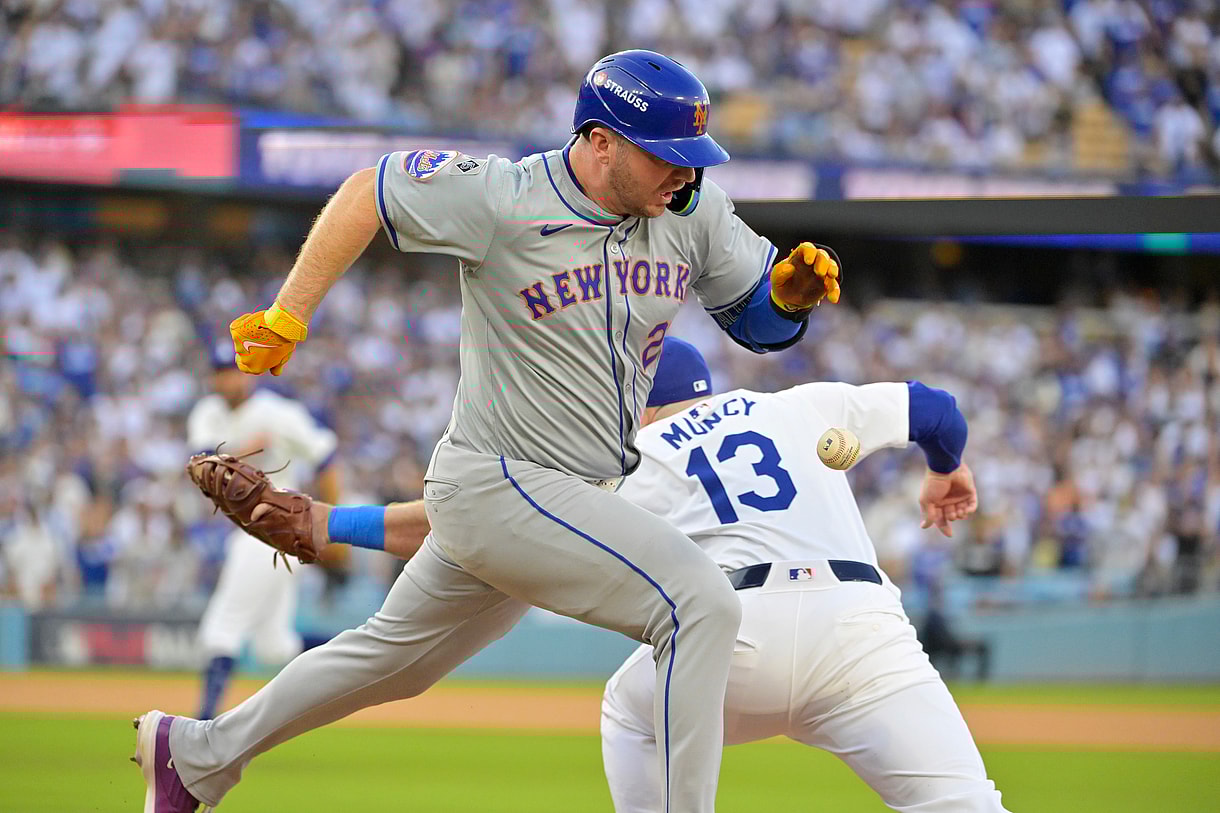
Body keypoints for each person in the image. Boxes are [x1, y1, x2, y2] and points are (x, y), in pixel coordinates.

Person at [132, 49, 841, 813]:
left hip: (562, 498)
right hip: (499, 479)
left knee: (390, 661)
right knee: (700, 604)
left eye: (692, 158)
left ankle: (196, 755)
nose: (685, 174)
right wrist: (289, 311)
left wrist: (789, 297)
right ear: (600, 141)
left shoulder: (690, 213)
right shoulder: (504, 196)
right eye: (666, 156)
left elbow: (759, 321)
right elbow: (368, 191)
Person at [194, 337, 1007, 812]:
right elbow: (938, 409)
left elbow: (468, 524)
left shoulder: (624, 457)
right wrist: (947, 470)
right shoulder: (790, 405)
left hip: (736, 641)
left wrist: (335, 523)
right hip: (864, 635)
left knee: (630, 707)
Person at [187, 347, 341, 720]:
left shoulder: (279, 414)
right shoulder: (207, 413)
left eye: (234, 371)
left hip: (276, 526)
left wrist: (333, 526)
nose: (228, 379)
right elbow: (203, 466)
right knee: (275, 646)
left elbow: (326, 458)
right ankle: (354, 650)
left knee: (221, 626)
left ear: (249, 374)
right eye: (221, 372)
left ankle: (203, 726)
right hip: (246, 531)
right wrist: (245, 449)